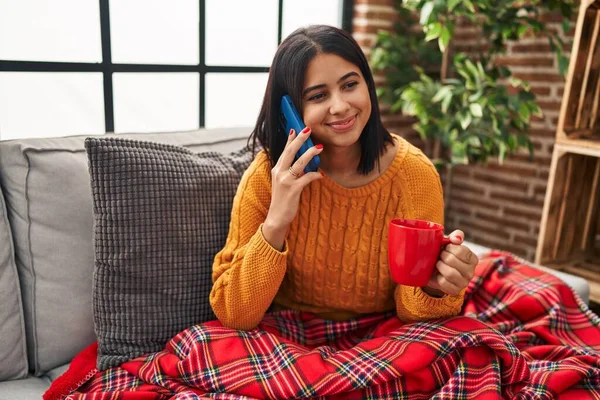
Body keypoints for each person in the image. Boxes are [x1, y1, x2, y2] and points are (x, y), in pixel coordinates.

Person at [210, 24, 479, 331]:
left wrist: (434, 286)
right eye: (318, 95)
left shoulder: (415, 174)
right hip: (289, 333)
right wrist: (276, 222)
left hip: (384, 333)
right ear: (290, 111)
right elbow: (235, 315)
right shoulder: (267, 175)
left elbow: (414, 314)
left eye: (350, 85)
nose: (340, 107)